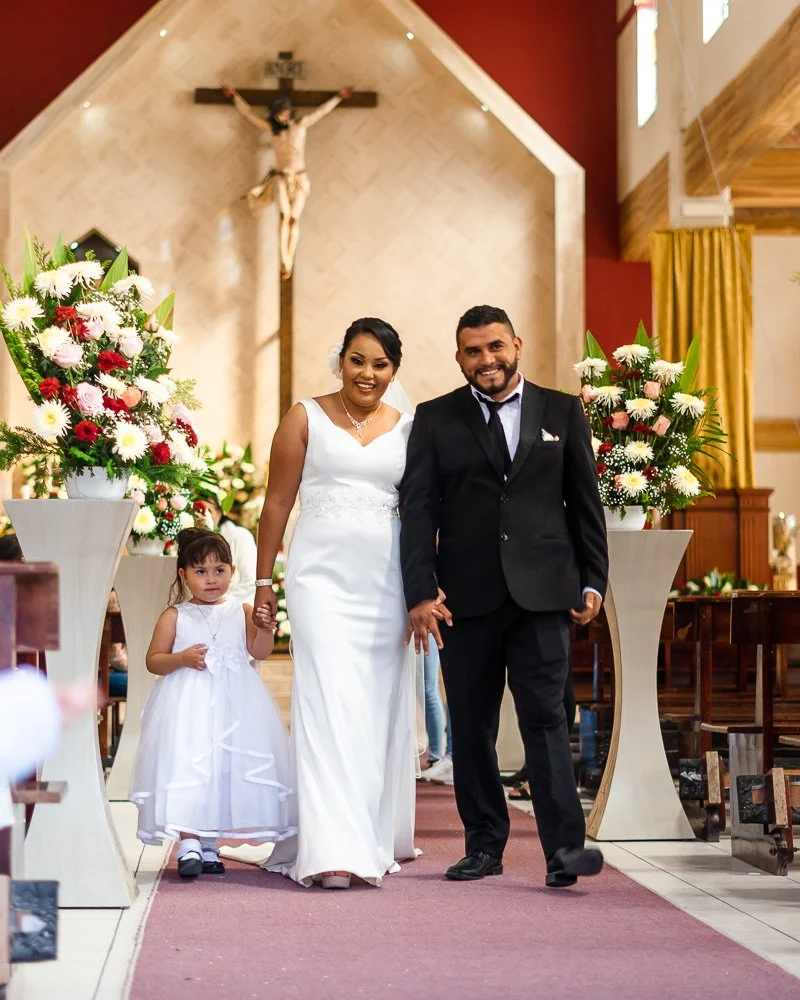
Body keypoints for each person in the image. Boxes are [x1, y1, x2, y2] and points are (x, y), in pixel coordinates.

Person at [400, 305, 609, 890]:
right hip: (462, 597)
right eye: (473, 351)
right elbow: (418, 511)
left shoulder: (562, 410)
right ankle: (484, 845)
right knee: (471, 726)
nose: (486, 360)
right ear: (459, 356)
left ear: (516, 344)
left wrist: (593, 579)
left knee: (546, 719)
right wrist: (419, 590)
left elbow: (583, 501)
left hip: (544, 595)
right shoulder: (435, 418)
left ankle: (564, 850)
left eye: (495, 347)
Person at [251, 318, 418, 889]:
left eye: (380, 364)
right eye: (357, 360)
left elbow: (423, 514)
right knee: (324, 700)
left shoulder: (408, 425)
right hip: (318, 578)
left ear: (394, 371)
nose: (367, 373)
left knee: (371, 707)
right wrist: (262, 582)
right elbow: (276, 504)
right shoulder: (305, 415)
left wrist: (427, 585)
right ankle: (330, 850)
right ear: (339, 359)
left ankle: (365, 832)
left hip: (385, 582)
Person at [129, 528, 295, 879]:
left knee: (223, 770)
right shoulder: (176, 615)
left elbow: (259, 651)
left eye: (219, 570)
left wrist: (266, 629)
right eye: (201, 572)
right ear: (183, 575)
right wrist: (183, 659)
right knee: (191, 767)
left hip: (236, 706)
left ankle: (209, 843)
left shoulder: (242, 610)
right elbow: (153, 660)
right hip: (188, 706)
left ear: (232, 572)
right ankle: (189, 841)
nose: (211, 579)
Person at [221, 82, 353, 280]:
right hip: (281, 178)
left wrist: (338, 97)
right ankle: (286, 261)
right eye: (278, 113)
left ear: (290, 111)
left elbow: (321, 112)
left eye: (284, 111)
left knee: (294, 219)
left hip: (299, 178)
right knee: (284, 217)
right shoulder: (272, 130)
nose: (282, 115)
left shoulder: (301, 125)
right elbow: (249, 114)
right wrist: (235, 97)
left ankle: (289, 258)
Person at [207, 498, 258, 605]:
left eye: (208, 511)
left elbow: (251, 582)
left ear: (218, 514)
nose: (201, 516)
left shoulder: (240, 536)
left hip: (235, 608)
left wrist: (217, 604)